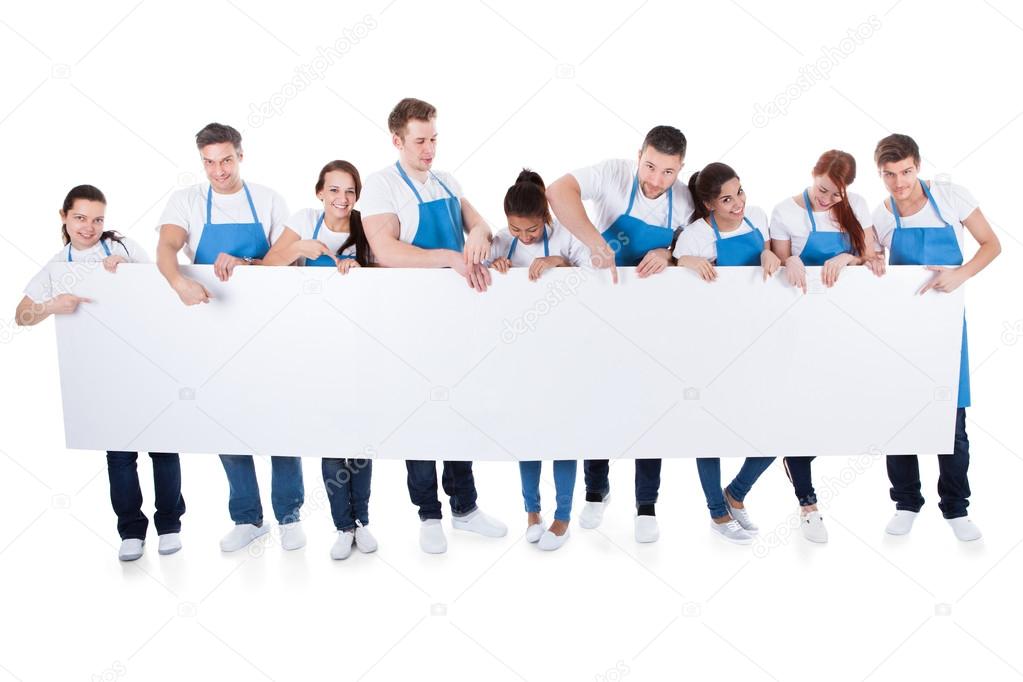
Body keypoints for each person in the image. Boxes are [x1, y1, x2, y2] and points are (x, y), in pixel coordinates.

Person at [360, 97, 507, 554]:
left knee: (458, 409)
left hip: (456, 317)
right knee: (419, 415)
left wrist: (480, 235)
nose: (429, 149)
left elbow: (479, 223)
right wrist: (450, 258)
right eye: (420, 141)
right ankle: (428, 515)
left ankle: (465, 507)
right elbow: (385, 251)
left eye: (434, 139)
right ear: (397, 139)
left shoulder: (447, 179)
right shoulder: (381, 187)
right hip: (409, 320)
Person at [155, 122, 305, 553]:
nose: (218, 170)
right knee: (226, 421)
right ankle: (247, 517)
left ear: (241, 155)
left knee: (279, 418)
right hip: (214, 330)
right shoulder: (186, 201)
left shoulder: (269, 199)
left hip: (268, 327)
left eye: (226, 160)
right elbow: (168, 248)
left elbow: (287, 262)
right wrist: (178, 283)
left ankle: (290, 514)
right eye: (208, 162)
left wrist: (245, 260)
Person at [16, 185, 185, 561]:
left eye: (97, 220)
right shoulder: (57, 268)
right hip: (102, 376)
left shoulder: (121, 247)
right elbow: (20, 315)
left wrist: (129, 274)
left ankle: (170, 525)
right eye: (80, 218)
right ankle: (131, 531)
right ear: (63, 217)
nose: (89, 228)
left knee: (163, 447)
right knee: (120, 456)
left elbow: (164, 284)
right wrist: (51, 305)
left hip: (147, 364)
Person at [547, 125, 694, 543]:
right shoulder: (613, 174)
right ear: (638, 156)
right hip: (601, 306)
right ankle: (596, 490)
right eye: (649, 166)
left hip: (651, 319)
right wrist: (595, 242)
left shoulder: (684, 200)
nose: (655, 180)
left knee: (650, 407)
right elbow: (558, 192)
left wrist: (668, 253)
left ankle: (646, 505)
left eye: (668, 172)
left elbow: (698, 245)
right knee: (596, 400)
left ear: (681, 169)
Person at [871, 133, 1000, 542]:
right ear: (881, 174)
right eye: (889, 175)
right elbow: (872, 265)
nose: (899, 183)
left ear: (918, 165)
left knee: (952, 417)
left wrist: (960, 274)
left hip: (946, 326)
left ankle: (956, 508)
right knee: (900, 416)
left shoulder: (950, 197)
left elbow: (991, 244)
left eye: (906, 172)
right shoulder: (883, 213)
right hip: (900, 330)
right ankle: (906, 503)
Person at [769, 149, 884, 544]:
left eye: (836, 195)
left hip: (846, 327)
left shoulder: (858, 206)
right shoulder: (785, 211)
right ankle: (808, 505)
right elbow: (776, 267)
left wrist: (848, 257)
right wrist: (790, 263)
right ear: (812, 174)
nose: (827, 200)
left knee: (841, 408)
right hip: (799, 325)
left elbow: (872, 255)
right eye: (822, 190)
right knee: (800, 413)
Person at [263, 160, 375, 560]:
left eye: (349, 192)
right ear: (319, 192)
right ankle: (342, 527)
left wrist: (361, 269)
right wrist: (299, 248)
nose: (341, 199)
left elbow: (386, 284)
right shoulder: (305, 220)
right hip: (311, 346)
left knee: (360, 437)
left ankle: (362, 521)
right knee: (330, 436)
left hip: (357, 346)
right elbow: (268, 266)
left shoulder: (367, 225)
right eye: (333, 190)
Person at [673, 162, 777, 544]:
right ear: (708, 204)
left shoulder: (759, 219)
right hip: (713, 345)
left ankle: (736, 494)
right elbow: (674, 274)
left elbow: (770, 259)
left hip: (760, 339)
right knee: (711, 431)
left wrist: (770, 254)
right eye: (727, 199)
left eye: (740, 192)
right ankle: (717, 512)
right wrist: (686, 261)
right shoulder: (696, 236)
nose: (738, 204)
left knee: (773, 427)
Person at [492, 169, 588, 551]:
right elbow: (480, 290)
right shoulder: (502, 242)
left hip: (564, 355)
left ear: (546, 217)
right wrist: (496, 267)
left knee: (563, 437)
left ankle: (563, 518)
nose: (524, 238)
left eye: (530, 231)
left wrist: (557, 263)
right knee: (526, 435)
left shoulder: (567, 236)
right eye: (516, 231)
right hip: (521, 357)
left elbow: (593, 274)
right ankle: (532, 513)